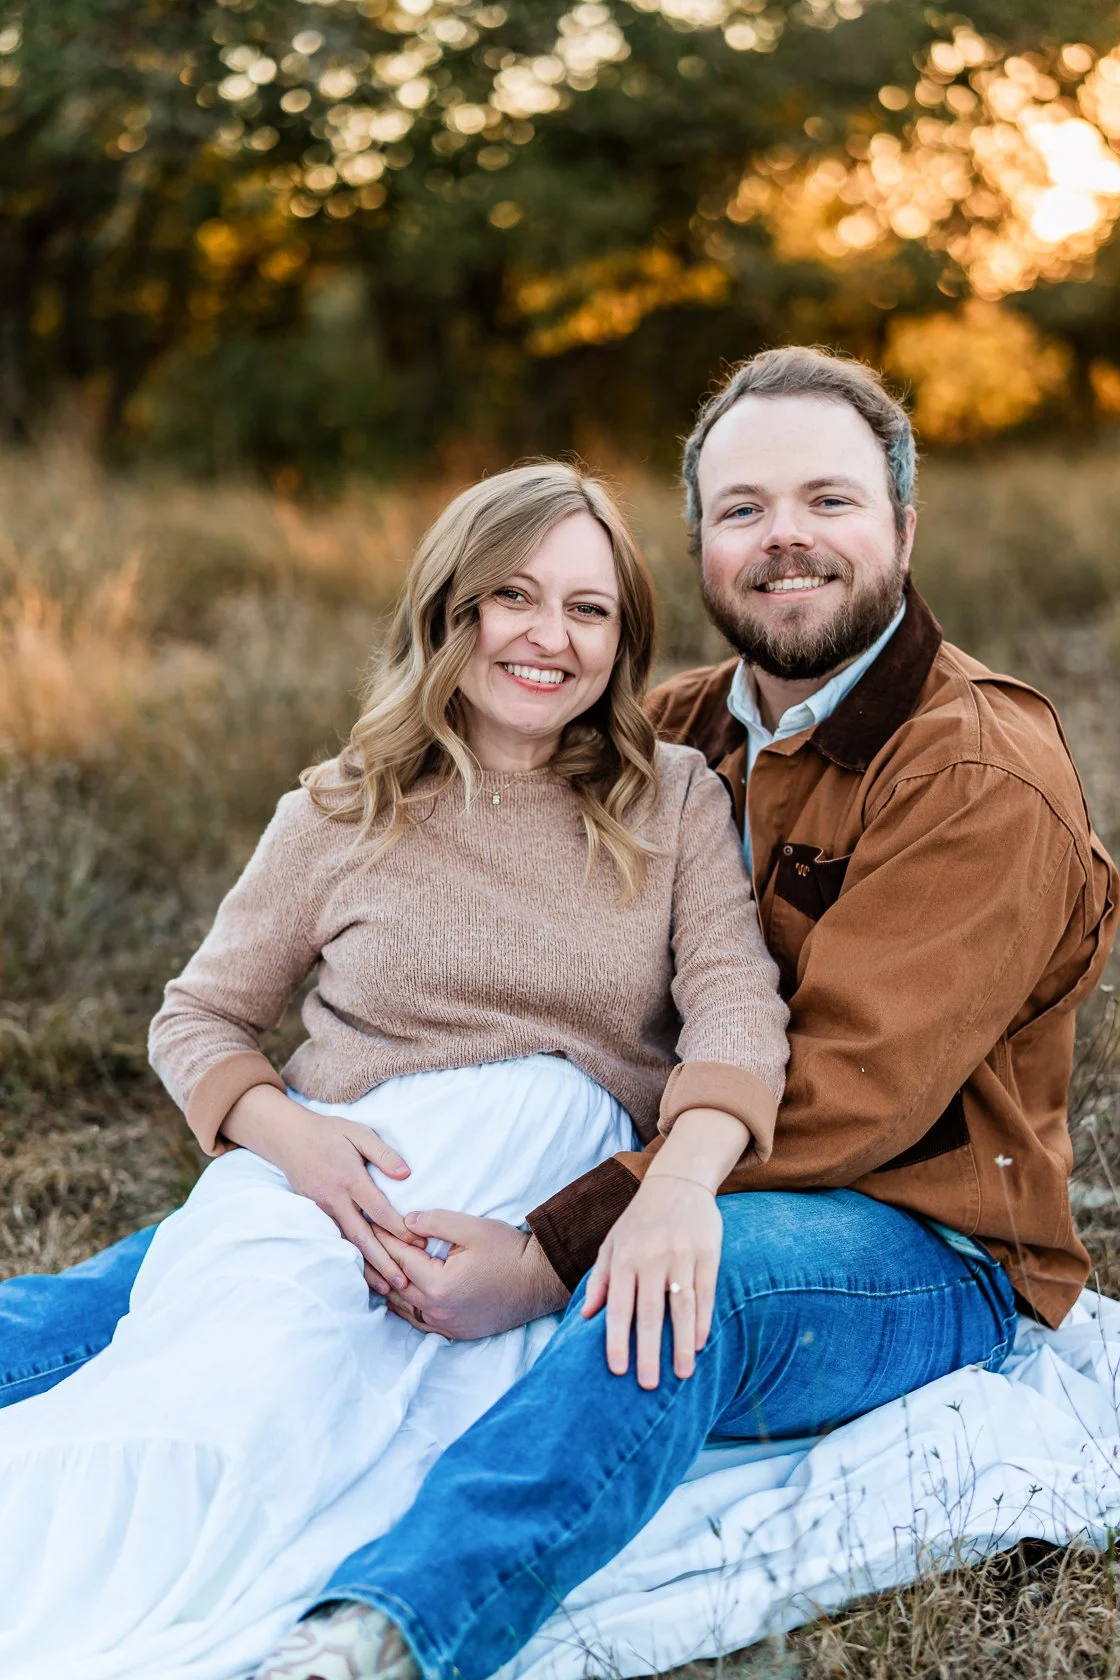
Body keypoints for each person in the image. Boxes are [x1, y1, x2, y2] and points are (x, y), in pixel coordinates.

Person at [0, 347, 1115, 1680]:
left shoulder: (975, 767)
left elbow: (846, 1096)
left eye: (831, 501)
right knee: (168, 1274)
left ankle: (385, 1634)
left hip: (919, 1227)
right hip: (570, 1156)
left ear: (902, 529)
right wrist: (309, 1144)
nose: (785, 540)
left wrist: (552, 1244)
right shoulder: (681, 730)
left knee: (675, 1290)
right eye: (744, 508)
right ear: (700, 542)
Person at [0, 461, 790, 1678]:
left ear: (623, 639)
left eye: (589, 609)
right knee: (220, 1422)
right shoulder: (340, 806)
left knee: (401, 1469)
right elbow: (197, 1020)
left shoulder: (673, 799)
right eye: (512, 596)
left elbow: (739, 1008)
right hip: (330, 1192)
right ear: (449, 611)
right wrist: (296, 1140)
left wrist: (680, 1183)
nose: (548, 637)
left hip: (532, 1218)